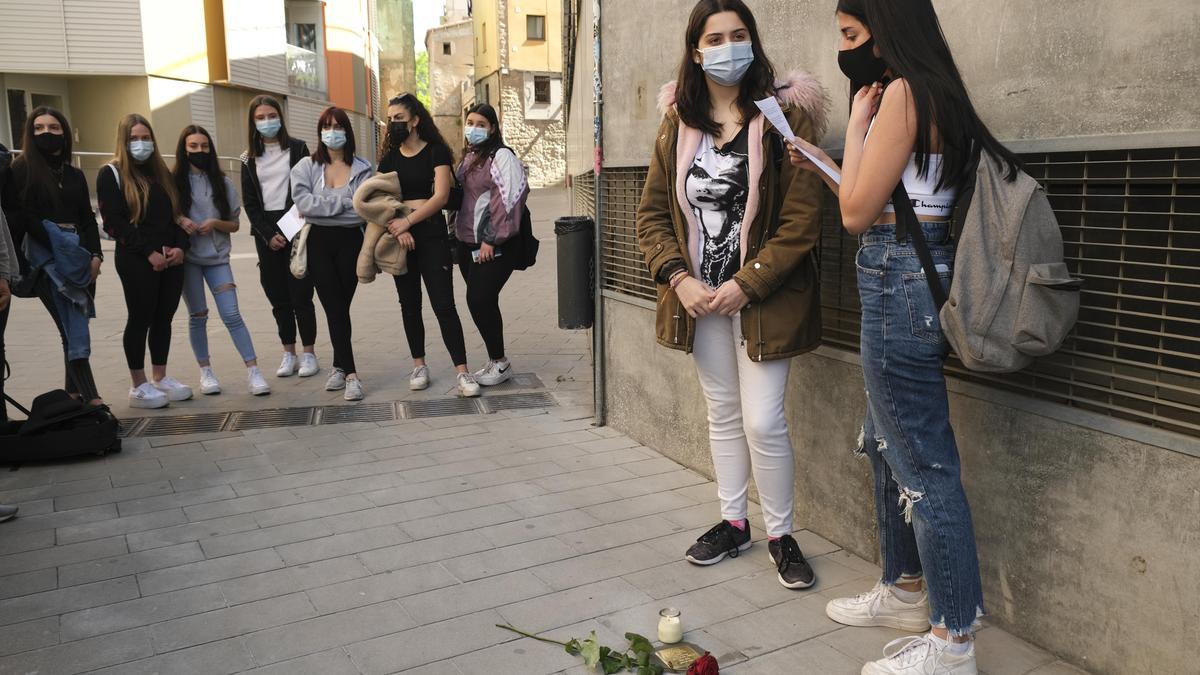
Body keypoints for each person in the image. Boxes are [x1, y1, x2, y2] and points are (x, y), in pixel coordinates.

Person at [786, 2, 1024, 672]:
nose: (845, 50)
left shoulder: (902, 95)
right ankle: (904, 588)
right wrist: (833, 162)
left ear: (887, 33)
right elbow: (901, 201)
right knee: (889, 441)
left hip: (896, 280)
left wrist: (857, 123)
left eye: (852, 36)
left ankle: (952, 643)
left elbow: (860, 213)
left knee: (924, 464)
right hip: (914, 271)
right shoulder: (939, 91)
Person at [636, 0, 827, 590]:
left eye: (738, 34)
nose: (727, 47)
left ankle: (782, 532)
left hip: (764, 298)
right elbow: (651, 216)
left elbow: (802, 218)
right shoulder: (678, 124)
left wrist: (748, 283)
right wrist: (679, 279)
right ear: (696, 50)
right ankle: (734, 521)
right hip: (699, 300)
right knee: (722, 414)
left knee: (764, 421)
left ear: (753, 41)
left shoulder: (783, 117)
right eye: (714, 38)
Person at [1, 107, 107, 412]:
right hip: (46, 261)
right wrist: (61, 248)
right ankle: (92, 397)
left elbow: (87, 218)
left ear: (65, 132)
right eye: (39, 128)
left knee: (77, 325)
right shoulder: (20, 171)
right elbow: (23, 217)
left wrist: (95, 256)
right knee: (71, 327)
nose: (47, 133)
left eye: (54, 127)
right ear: (30, 133)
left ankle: (73, 397)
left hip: (81, 260)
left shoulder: (73, 174)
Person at [378, 93, 479, 397]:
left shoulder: (436, 152)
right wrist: (399, 227)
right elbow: (381, 199)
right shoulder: (389, 159)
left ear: (415, 120)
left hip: (431, 236)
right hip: (401, 238)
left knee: (444, 306)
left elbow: (441, 197)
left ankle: (462, 372)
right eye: (391, 119)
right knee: (409, 306)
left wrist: (407, 220)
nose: (394, 124)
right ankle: (419, 365)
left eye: (399, 118)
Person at [97, 113, 192, 409]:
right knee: (140, 318)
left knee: (164, 318)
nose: (141, 143)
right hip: (138, 259)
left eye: (146, 137)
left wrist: (180, 248)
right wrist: (149, 252)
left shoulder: (162, 173)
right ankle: (138, 385)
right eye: (134, 139)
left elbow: (176, 217)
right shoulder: (111, 173)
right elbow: (113, 222)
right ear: (124, 142)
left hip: (170, 259)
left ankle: (159, 377)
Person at [173, 125, 269, 397]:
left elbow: (235, 225)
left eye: (204, 146)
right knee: (198, 316)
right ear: (184, 149)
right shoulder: (172, 182)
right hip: (189, 260)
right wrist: (181, 220)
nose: (199, 151)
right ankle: (205, 372)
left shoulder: (223, 183)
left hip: (217, 259)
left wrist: (215, 223)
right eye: (193, 146)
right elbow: (167, 215)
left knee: (231, 314)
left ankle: (253, 371)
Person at [291, 106, 373, 401]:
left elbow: (363, 211)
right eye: (327, 126)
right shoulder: (305, 167)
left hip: (352, 242)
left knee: (341, 307)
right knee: (333, 307)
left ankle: (338, 366)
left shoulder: (363, 168)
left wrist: (325, 204)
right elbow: (303, 205)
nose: (332, 132)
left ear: (347, 132)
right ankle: (350, 374)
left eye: (338, 126)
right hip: (319, 243)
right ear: (319, 131)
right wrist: (344, 203)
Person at [240, 95, 319, 379]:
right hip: (266, 233)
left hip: (296, 225)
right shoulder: (247, 158)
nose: (266, 122)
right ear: (252, 122)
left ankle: (309, 353)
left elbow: (309, 189)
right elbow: (249, 203)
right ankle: (289, 352)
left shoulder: (298, 149)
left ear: (280, 118)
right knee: (278, 297)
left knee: (301, 294)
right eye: (260, 118)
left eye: (271, 116)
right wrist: (268, 234)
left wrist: (285, 231)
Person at [453, 103, 530, 387]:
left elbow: (510, 199)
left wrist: (490, 238)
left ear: (493, 128)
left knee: (479, 299)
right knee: (482, 301)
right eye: (470, 122)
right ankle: (496, 359)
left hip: (493, 245)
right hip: (466, 243)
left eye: (481, 124)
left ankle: (500, 362)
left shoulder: (502, 156)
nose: (473, 128)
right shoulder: (471, 157)